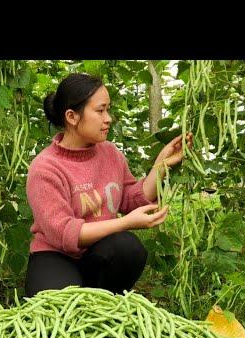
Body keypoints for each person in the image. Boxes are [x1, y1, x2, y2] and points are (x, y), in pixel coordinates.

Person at [25, 72, 193, 297]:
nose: (108, 118)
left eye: (108, 109)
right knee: (56, 308)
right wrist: (125, 223)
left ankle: (101, 302)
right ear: (72, 117)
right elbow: (63, 233)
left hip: (98, 252)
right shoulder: (45, 168)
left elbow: (130, 198)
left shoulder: (110, 153)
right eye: (100, 110)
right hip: (56, 254)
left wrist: (161, 166)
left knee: (128, 249)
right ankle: (78, 299)